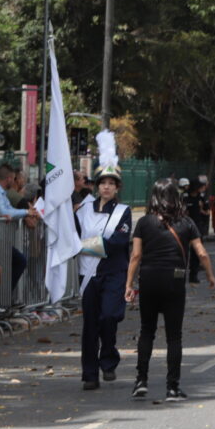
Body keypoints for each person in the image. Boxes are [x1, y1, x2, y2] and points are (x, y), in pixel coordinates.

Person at [125, 179, 215, 401]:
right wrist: (210, 275)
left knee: (147, 330)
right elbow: (201, 252)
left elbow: (136, 255)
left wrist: (129, 284)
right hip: (175, 280)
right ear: (177, 197)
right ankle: (172, 387)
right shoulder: (187, 223)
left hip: (149, 279)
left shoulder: (144, 223)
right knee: (174, 336)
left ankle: (141, 381)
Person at [75, 135, 131, 390]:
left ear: (117, 187)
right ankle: (89, 374)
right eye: (103, 183)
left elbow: (118, 242)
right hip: (88, 274)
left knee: (108, 316)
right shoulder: (84, 209)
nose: (106, 187)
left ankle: (108, 357)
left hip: (113, 273)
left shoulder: (123, 212)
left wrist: (83, 246)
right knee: (90, 325)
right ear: (97, 185)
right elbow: (72, 235)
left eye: (111, 183)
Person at [0, 163, 40, 295]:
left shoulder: (2, 193)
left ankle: (3, 297)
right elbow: (5, 211)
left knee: (18, 261)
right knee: (16, 262)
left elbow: (8, 211)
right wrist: (27, 212)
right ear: (10, 178)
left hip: (1, 237)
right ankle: (3, 298)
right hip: (0, 237)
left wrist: (25, 212)